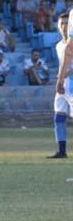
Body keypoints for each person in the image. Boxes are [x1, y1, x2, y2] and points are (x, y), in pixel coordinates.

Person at [50, 12, 71, 158]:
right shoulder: (58, 46)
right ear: (58, 26)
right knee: (59, 117)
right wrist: (60, 78)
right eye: (61, 23)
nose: (64, 26)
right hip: (62, 85)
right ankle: (62, 151)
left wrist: (65, 74)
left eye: (66, 23)